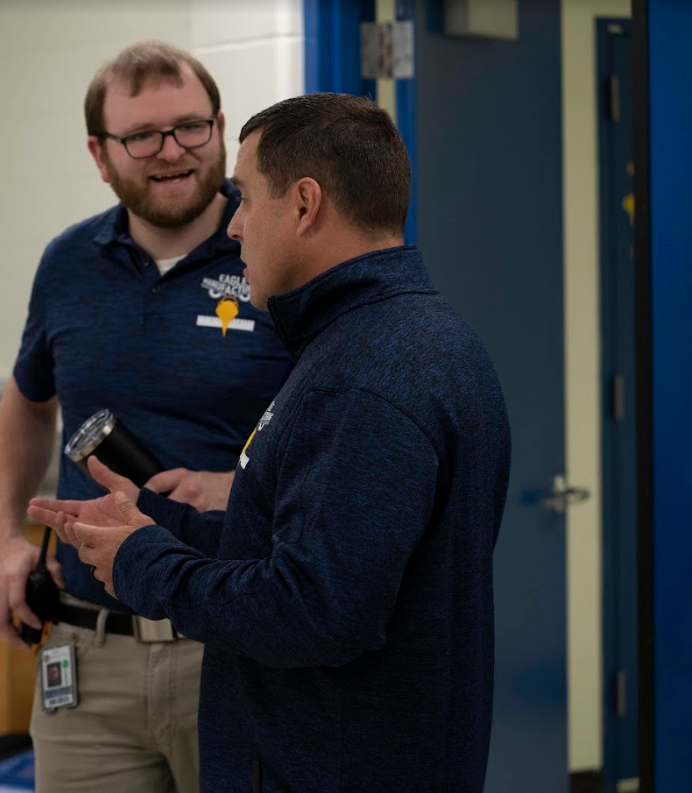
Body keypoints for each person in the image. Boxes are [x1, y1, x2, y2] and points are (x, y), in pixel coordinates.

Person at [29, 93, 512, 792]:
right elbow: (315, 547)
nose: (234, 226)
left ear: (305, 205)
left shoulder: (364, 377)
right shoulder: (396, 342)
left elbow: (313, 611)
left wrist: (146, 564)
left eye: (249, 198)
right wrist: (161, 522)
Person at [0, 41, 289, 793]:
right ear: (100, 153)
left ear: (221, 127)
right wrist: (3, 541)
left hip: (230, 643)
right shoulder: (68, 262)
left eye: (192, 127)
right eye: (143, 136)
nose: (173, 153)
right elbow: (26, 402)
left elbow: (328, 428)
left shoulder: (275, 257)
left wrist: (235, 486)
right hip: (88, 653)